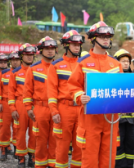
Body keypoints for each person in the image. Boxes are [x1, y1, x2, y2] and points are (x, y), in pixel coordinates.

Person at [67, 21, 134, 168]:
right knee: (89, 161)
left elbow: (122, 89)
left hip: (111, 120)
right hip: (90, 119)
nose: (106, 39)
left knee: (108, 160)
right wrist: (79, 95)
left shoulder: (116, 64)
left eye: (108, 36)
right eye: (102, 36)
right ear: (93, 39)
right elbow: (72, 85)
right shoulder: (83, 63)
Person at [47, 30, 85, 168]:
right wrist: (54, 111)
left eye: (79, 45)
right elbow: (51, 92)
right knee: (62, 146)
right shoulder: (56, 66)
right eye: (74, 44)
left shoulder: (83, 64)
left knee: (80, 146)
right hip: (64, 109)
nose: (77, 47)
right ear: (66, 45)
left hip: (81, 109)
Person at [24, 36, 58, 168]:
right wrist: (28, 108)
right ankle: (40, 165)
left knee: (56, 140)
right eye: (47, 49)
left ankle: (53, 165)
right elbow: (27, 91)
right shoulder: (33, 69)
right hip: (40, 109)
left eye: (52, 49)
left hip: (56, 109)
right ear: (40, 50)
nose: (50, 51)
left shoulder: (59, 67)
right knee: (41, 141)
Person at [8, 45, 36, 167]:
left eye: (31, 55)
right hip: (20, 105)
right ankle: (21, 157)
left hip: (34, 105)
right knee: (20, 132)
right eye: (27, 55)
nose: (29, 57)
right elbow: (10, 93)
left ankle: (32, 156)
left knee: (35, 133)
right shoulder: (15, 73)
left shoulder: (37, 71)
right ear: (21, 56)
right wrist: (13, 109)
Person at [114, 49, 134, 167]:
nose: (126, 63)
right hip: (117, 120)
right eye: (123, 61)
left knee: (130, 145)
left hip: (131, 120)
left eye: (127, 61)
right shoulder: (112, 78)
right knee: (118, 146)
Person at [0, 53, 15, 162]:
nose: (3, 64)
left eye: (5, 62)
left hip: (15, 103)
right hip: (4, 103)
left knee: (16, 128)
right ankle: (4, 149)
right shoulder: (3, 74)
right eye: (1, 62)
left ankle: (15, 148)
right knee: (4, 127)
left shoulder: (15, 73)